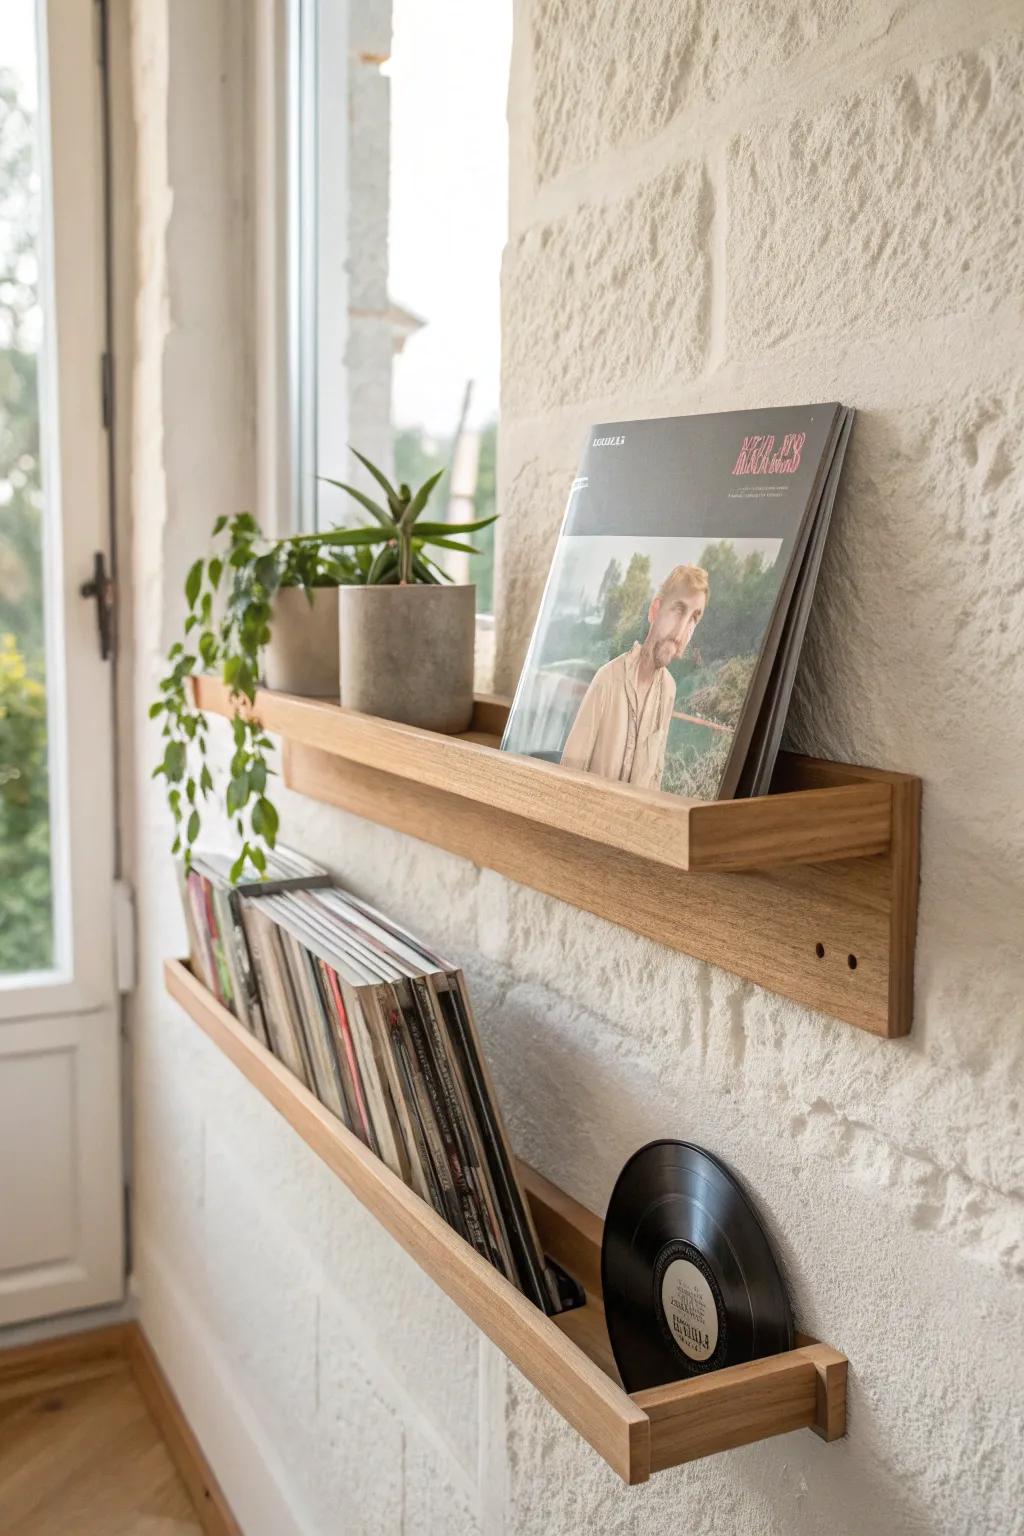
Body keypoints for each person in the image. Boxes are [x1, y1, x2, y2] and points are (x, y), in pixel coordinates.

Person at [560, 563, 709, 791]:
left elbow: (656, 773)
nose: (681, 632)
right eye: (678, 610)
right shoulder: (608, 677)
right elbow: (570, 769)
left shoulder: (669, 688)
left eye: (693, 619)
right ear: (655, 611)